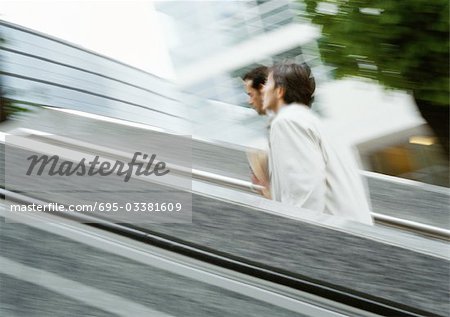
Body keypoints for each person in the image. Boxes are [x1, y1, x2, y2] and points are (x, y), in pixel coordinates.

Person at [262, 63, 373, 225]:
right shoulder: (318, 124)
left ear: (280, 91)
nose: (263, 89)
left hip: (331, 237)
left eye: (267, 84)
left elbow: (304, 188)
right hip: (357, 230)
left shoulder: (287, 122)